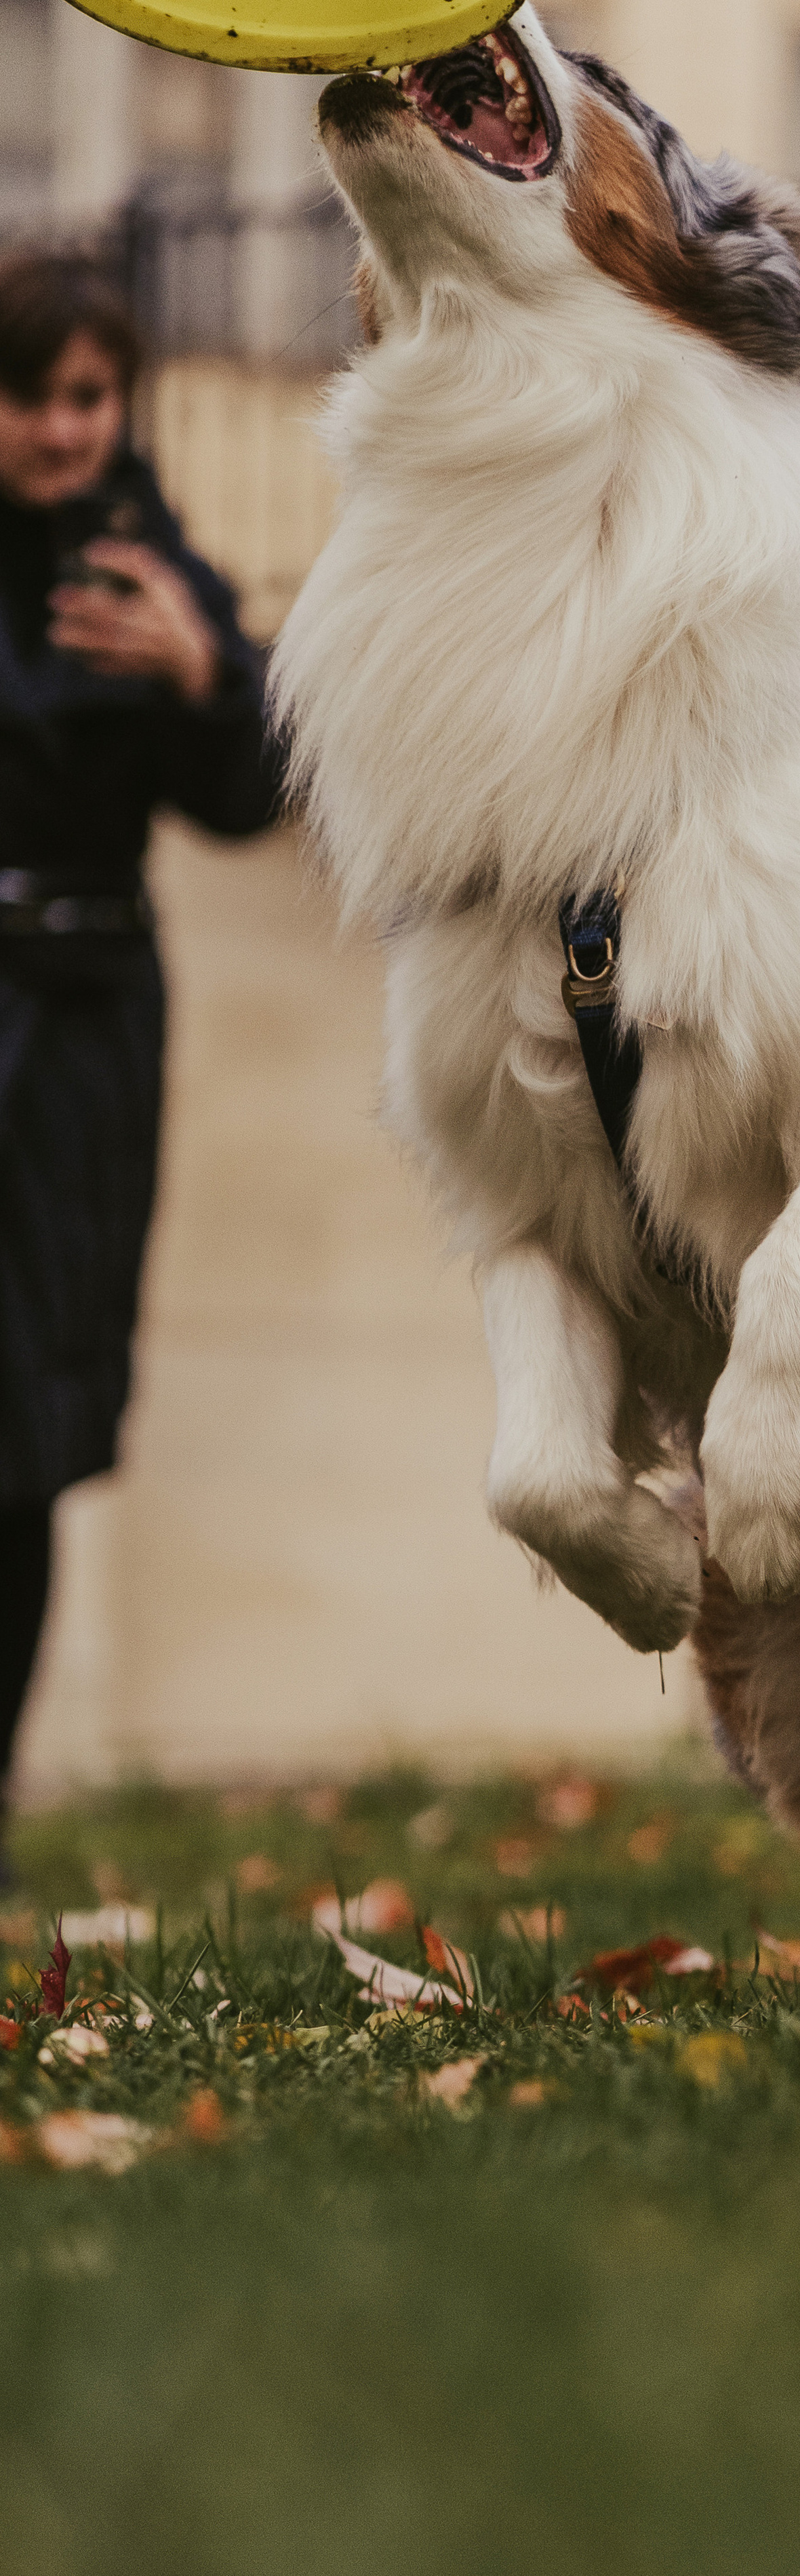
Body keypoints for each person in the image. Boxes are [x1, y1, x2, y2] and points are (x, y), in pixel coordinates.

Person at [0, 253, 280, 1868]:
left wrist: (197, 675)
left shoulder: (149, 555)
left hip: (87, 1033)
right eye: (32, 396)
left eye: (88, 398)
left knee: (25, 1442)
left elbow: (247, 795)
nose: (60, 430)